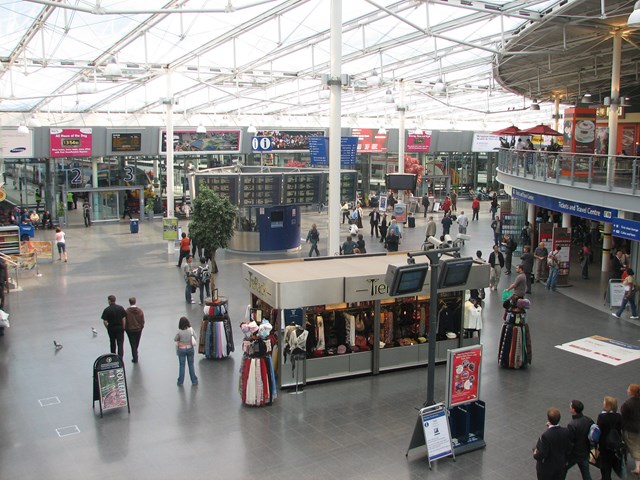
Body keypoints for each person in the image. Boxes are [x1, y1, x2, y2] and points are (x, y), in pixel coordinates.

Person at [532, 407, 572, 480]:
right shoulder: (566, 431)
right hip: (560, 466)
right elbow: (568, 448)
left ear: (548, 419)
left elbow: (542, 454)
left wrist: (535, 452)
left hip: (548, 469)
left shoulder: (545, 436)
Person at [566, 399, 594, 480]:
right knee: (586, 474)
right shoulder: (588, 419)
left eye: (570, 406)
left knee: (563, 470)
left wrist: (566, 455)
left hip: (574, 453)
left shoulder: (572, 425)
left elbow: (570, 442)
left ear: (573, 410)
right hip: (585, 451)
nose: (569, 407)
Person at [597, 396, 623, 480]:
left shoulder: (602, 417)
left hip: (604, 443)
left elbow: (599, 430)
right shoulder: (618, 416)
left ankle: (606, 477)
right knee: (611, 460)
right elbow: (620, 428)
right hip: (615, 442)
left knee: (604, 463)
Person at [621, 384, 640, 476]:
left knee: (634, 447)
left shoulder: (627, 404)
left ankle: (638, 467)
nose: (627, 390)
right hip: (638, 427)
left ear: (632, 392)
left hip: (630, 429)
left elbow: (623, 417)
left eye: (628, 389)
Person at [174, 316, 198, 386]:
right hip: (190, 348)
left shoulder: (179, 331)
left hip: (181, 349)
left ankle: (180, 381)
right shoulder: (191, 330)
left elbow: (175, 339)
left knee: (182, 366)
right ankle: (194, 380)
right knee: (191, 365)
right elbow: (195, 337)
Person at [101, 295, 127, 359]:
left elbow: (105, 321)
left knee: (112, 343)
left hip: (111, 328)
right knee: (120, 343)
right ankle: (120, 357)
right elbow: (123, 318)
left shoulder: (107, 310)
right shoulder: (120, 308)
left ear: (109, 301)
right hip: (120, 328)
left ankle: (113, 356)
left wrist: (108, 327)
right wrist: (123, 327)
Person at [125, 297, 145, 363]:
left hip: (130, 330)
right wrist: (141, 326)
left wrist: (125, 328)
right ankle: (135, 353)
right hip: (138, 329)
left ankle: (135, 356)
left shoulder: (127, 311)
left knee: (132, 343)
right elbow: (142, 320)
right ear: (135, 301)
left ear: (129, 302)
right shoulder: (139, 311)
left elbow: (125, 320)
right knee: (137, 342)